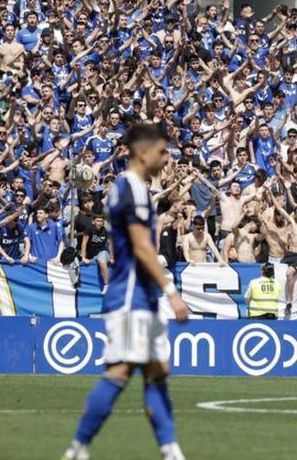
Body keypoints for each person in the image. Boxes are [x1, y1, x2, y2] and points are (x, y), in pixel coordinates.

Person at [63, 124, 189, 460]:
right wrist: (170, 290)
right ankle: (78, 448)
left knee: (158, 371)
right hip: (131, 293)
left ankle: (170, 449)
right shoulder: (129, 188)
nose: (167, 158)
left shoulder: (135, 190)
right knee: (120, 371)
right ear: (144, 152)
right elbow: (139, 246)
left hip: (142, 295)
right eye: (163, 151)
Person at [81, 214, 112, 293]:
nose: (99, 223)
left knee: (101, 260)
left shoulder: (106, 231)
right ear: (93, 222)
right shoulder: (89, 229)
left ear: (103, 223)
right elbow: (84, 243)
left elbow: (110, 244)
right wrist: (83, 257)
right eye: (97, 221)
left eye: (101, 221)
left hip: (103, 252)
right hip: (92, 255)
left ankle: (106, 285)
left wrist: (112, 257)